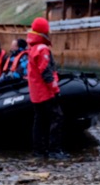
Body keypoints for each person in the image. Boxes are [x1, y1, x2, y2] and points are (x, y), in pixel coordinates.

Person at [26, 17, 69, 159]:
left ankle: (39, 150)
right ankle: (54, 150)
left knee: (39, 121)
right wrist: (55, 90)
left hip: (36, 94)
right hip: (45, 93)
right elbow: (46, 73)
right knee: (57, 118)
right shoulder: (42, 49)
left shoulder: (32, 48)